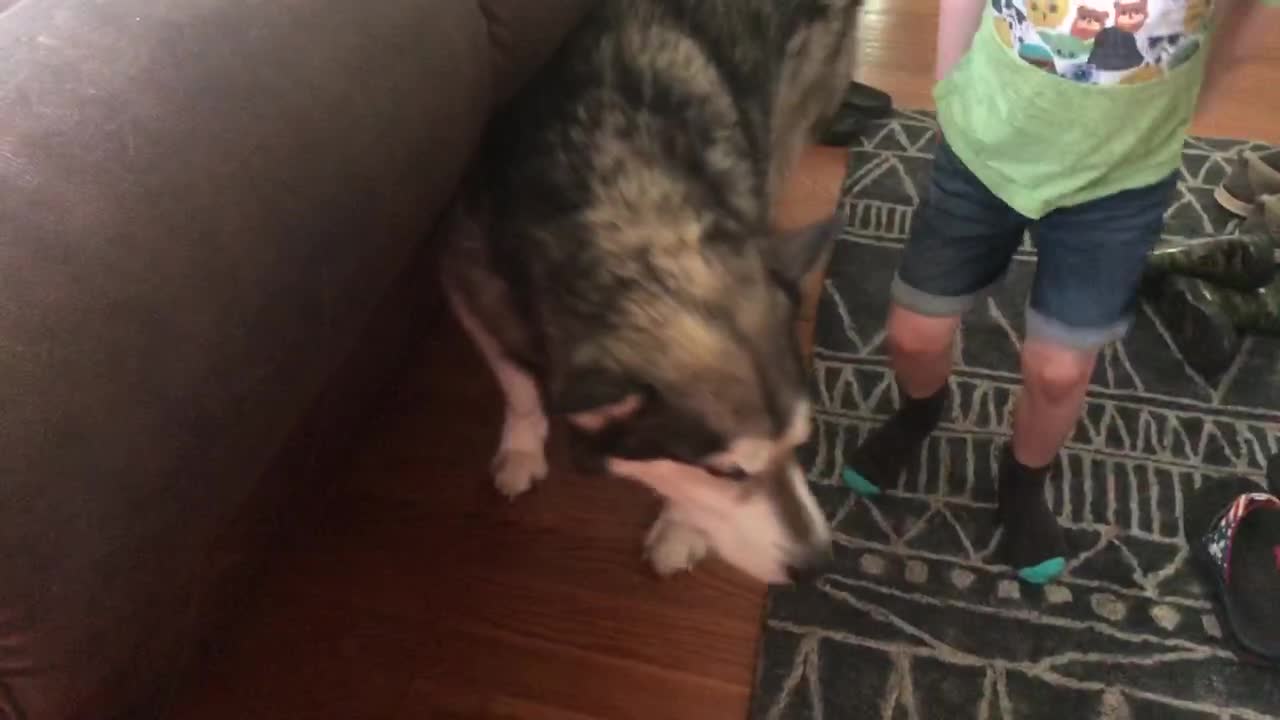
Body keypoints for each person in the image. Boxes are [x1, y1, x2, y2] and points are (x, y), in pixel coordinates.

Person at [844, 0, 1279, 585]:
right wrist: (949, 79)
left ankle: (1023, 480)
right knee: (914, 334)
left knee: (1060, 371)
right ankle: (920, 412)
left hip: (1123, 175)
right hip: (985, 140)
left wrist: (1198, 98)